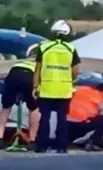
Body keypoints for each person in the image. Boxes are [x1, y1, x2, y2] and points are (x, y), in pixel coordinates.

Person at [32, 20, 80, 154]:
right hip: (64, 90)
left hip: (47, 88)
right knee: (62, 119)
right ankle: (61, 147)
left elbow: (38, 68)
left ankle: (42, 146)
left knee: (45, 118)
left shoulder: (44, 47)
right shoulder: (71, 48)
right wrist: (69, 79)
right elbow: (76, 70)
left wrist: (35, 86)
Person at [0, 43, 40, 150]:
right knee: (33, 108)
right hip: (29, 76)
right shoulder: (39, 64)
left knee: (6, 108)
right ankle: (32, 140)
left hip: (14, 74)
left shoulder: (20, 62)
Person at [67, 83, 103, 152]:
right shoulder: (101, 100)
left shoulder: (81, 90)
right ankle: (93, 143)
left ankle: (66, 142)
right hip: (83, 124)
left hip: (68, 123)